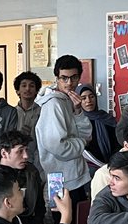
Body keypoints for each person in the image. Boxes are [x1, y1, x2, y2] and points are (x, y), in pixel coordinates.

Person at [35, 55, 89, 208]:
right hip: (59, 178)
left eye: (73, 78)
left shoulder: (70, 100)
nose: (69, 83)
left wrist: (78, 110)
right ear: (57, 78)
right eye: (64, 78)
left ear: (79, 77)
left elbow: (86, 133)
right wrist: (82, 143)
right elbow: (59, 147)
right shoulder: (53, 104)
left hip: (73, 176)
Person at [0, 130, 45, 224]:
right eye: (20, 151)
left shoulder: (31, 172)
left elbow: (40, 206)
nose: (26, 156)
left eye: (26, 150)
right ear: (4, 153)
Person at [77, 83, 118, 166]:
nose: (88, 101)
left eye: (91, 96)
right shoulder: (78, 122)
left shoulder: (106, 118)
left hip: (113, 164)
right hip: (89, 166)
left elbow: (117, 141)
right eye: (83, 98)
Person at [12, 70, 42, 153]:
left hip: (37, 159)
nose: (28, 89)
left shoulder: (42, 112)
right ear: (17, 91)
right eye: (24, 85)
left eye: (31, 86)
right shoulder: (11, 112)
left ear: (36, 91)